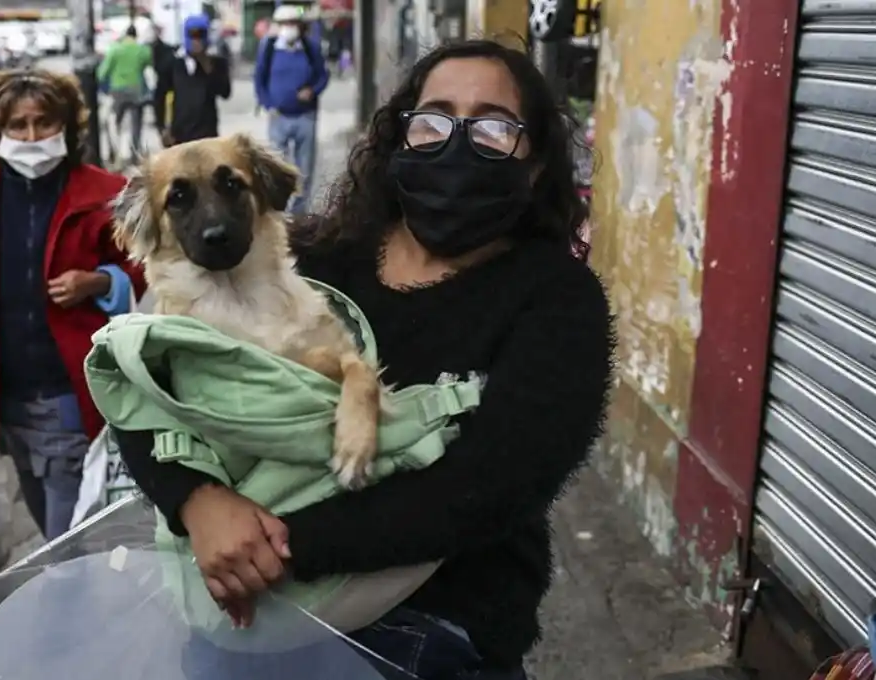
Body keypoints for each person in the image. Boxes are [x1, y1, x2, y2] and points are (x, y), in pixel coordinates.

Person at [114, 39, 613, 679]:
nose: (458, 142)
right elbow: (142, 389)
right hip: (249, 609)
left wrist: (271, 547)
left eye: (493, 125)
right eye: (434, 119)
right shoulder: (309, 253)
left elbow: (484, 493)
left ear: (537, 161)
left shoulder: (557, 301)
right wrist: (197, 501)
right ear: (401, 138)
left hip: (435, 623)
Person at [0, 69, 147, 542]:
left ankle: (66, 600)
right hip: (1, 389)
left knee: (66, 528)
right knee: (35, 492)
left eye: (44, 123)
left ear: (67, 126)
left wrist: (98, 282)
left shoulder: (108, 195)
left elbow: (143, 265)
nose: (31, 137)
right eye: (17, 126)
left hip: (68, 388)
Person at [255, 4, 329, 215]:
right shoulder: (268, 48)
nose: (289, 28)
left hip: (305, 117)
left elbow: (323, 76)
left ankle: (299, 215)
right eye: (285, 24)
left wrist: (312, 91)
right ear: (277, 26)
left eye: (293, 24)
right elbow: (259, 80)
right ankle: (280, 211)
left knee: (304, 169)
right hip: (278, 118)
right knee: (277, 167)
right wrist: (268, 104)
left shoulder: (309, 48)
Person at [161, 13, 230, 147]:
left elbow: (225, 92)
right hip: (179, 134)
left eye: (200, 36)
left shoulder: (217, 63)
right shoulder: (173, 63)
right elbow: (160, 96)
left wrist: (207, 66)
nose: (196, 41)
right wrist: (163, 127)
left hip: (206, 134)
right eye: (192, 36)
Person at [98, 25, 152, 163]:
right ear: (136, 35)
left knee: (114, 123)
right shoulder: (142, 50)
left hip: (117, 91)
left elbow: (102, 72)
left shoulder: (115, 49)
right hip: (136, 90)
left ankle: (115, 153)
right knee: (136, 124)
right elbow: (148, 64)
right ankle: (134, 154)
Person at [148, 24, 174, 139]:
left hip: (159, 82)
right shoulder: (166, 48)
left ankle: (162, 127)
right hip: (160, 82)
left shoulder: (149, 48)